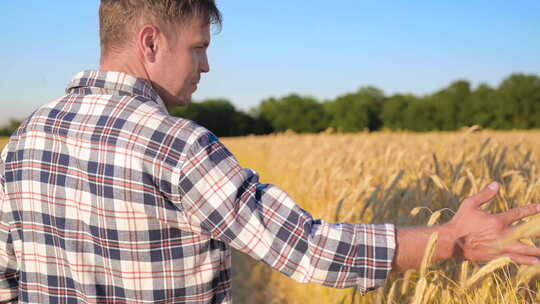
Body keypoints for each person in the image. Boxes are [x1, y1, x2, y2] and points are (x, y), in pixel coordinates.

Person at [1, 1, 539, 303]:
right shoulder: (179, 146)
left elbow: (6, 278)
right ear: (149, 43)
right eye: (198, 48)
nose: (205, 68)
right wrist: (452, 240)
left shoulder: (25, 138)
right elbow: (306, 249)